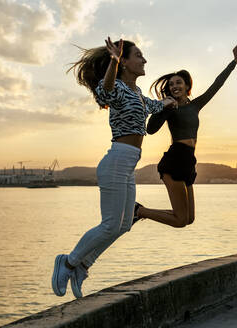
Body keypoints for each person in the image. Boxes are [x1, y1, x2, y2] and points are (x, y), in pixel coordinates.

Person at [51, 37, 177, 299]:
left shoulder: (137, 94)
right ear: (125, 62)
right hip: (117, 161)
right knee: (110, 224)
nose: (144, 60)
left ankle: (83, 265)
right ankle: (68, 262)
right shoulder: (116, 86)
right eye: (139, 55)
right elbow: (105, 90)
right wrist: (113, 61)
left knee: (124, 225)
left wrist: (169, 102)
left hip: (128, 165)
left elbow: (153, 107)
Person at [133, 45, 237, 228]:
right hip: (175, 159)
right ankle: (138, 211)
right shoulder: (168, 107)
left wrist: (234, 62)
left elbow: (217, 84)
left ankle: (139, 212)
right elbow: (150, 129)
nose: (175, 86)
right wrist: (165, 109)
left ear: (187, 86)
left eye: (178, 83)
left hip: (189, 161)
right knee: (181, 220)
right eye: (172, 85)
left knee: (189, 218)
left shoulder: (195, 105)